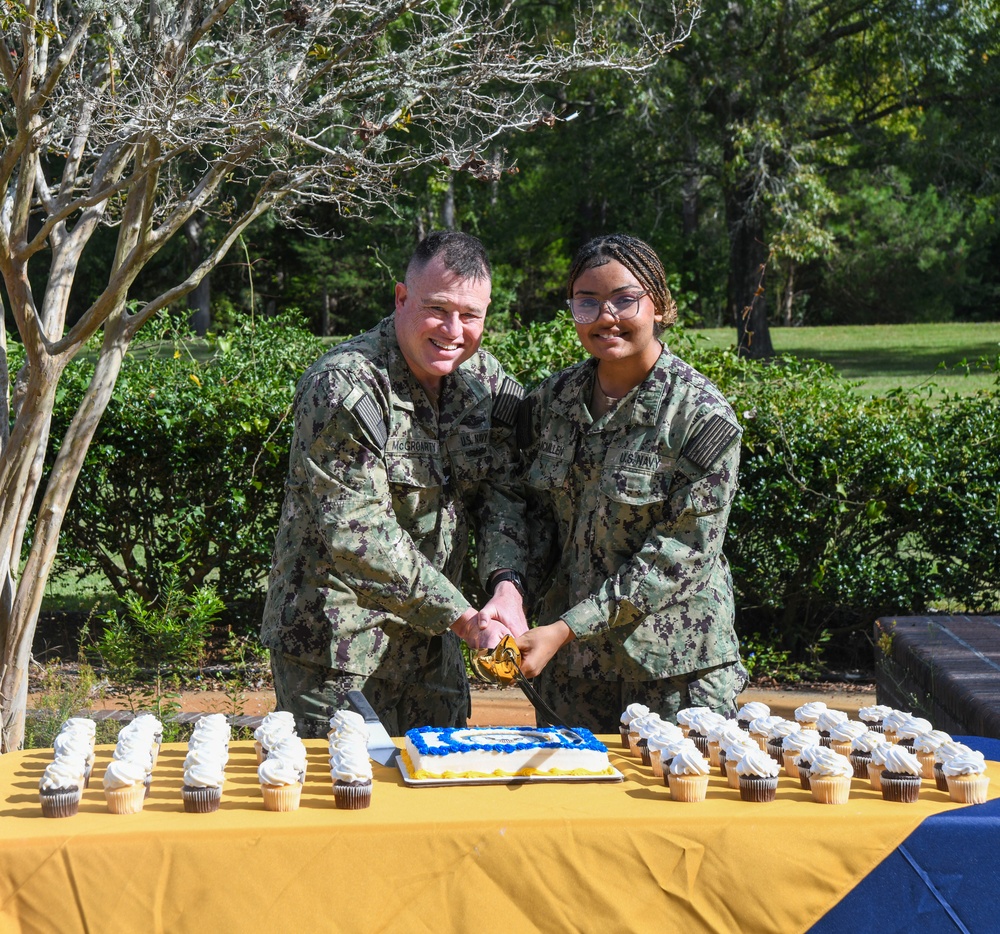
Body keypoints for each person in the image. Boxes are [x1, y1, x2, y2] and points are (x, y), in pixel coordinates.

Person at [261, 231, 529, 738]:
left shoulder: (489, 388)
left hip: (437, 652)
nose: (454, 330)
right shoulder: (345, 386)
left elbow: (505, 500)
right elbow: (357, 533)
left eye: (471, 316)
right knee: (344, 801)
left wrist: (506, 585)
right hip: (338, 651)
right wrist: (464, 617)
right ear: (402, 299)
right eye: (438, 309)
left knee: (437, 799)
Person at [515, 233, 748, 732]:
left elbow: (680, 553)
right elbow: (528, 513)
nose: (606, 317)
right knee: (571, 808)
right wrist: (508, 594)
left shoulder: (701, 417)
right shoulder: (552, 401)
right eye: (587, 302)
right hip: (573, 676)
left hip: (674, 672)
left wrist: (565, 628)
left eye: (625, 299)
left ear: (660, 305)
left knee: (676, 805)